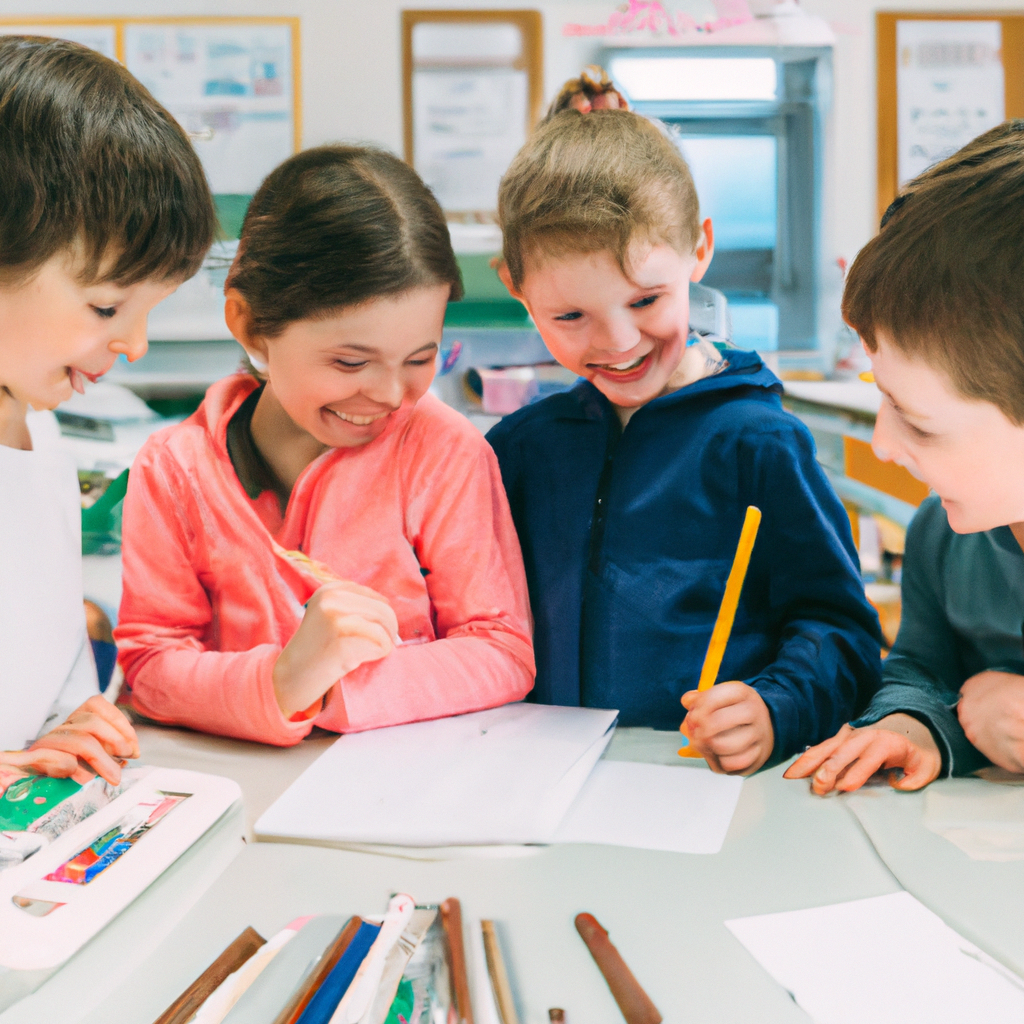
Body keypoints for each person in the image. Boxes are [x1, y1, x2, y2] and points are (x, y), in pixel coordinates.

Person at [486, 94, 882, 775]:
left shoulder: (761, 444)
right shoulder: (520, 449)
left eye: (645, 300)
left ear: (699, 248)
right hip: (538, 786)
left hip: (702, 791)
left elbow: (843, 634)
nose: (616, 343)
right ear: (515, 287)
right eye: (571, 315)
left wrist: (776, 705)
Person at [114, 145, 535, 745]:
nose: (391, 394)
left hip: (406, 792)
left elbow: (502, 648)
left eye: (420, 357)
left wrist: (332, 691)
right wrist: (284, 681)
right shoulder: (174, 470)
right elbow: (151, 666)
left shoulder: (444, 453)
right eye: (350, 360)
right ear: (248, 322)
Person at [0, 36, 215, 785]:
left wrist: (71, 715)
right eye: (107, 305)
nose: (135, 343)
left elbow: (42, 656)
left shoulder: (41, 428)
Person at [786, 122, 1024, 794]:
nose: (883, 444)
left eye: (921, 424)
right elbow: (920, 669)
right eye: (881, 398)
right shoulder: (942, 535)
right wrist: (914, 725)